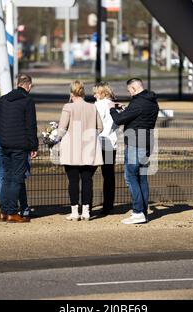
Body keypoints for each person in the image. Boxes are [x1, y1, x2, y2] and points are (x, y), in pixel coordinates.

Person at [110, 78, 159, 225]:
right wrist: (125, 109)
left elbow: (119, 120)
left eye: (129, 90)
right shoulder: (152, 101)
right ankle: (143, 212)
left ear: (133, 88)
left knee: (131, 177)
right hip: (147, 142)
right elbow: (137, 117)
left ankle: (138, 212)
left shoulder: (138, 103)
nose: (128, 93)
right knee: (142, 178)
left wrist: (112, 109)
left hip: (135, 144)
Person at [58, 80, 104, 221]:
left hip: (72, 150)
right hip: (89, 149)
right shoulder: (92, 107)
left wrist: (55, 138)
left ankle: (74, 212)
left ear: (72, 93)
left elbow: (62, 128)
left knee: (73, 181)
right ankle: (86, 212)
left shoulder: (68, 107)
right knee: (87, 180)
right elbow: (100, 127)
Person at [0, 74, 39, 223]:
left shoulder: (3, 100)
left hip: (5, 144)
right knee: (17, 179)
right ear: (28, 86)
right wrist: (34, 146)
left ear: (17, 84)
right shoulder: (27, 101)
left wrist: (3, 139)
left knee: (7, 177)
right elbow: (31, 125)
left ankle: (3, 211)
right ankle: (12, 213)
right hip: (20, 146)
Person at [0, 105, 31, 221]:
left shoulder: (0, 103)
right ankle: (15, 210)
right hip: (8, 140)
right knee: (16, 175)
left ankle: (3, 211)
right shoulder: (18, 106)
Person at [93, 82, 120, 215]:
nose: (94, 95)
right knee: (108, 176)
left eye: (96, 92)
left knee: (88, 174)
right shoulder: (115, 105)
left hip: (98, 143)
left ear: (102, 93)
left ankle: (87, 203)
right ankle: (108, 205)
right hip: (111, 144)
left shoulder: (98, 105)